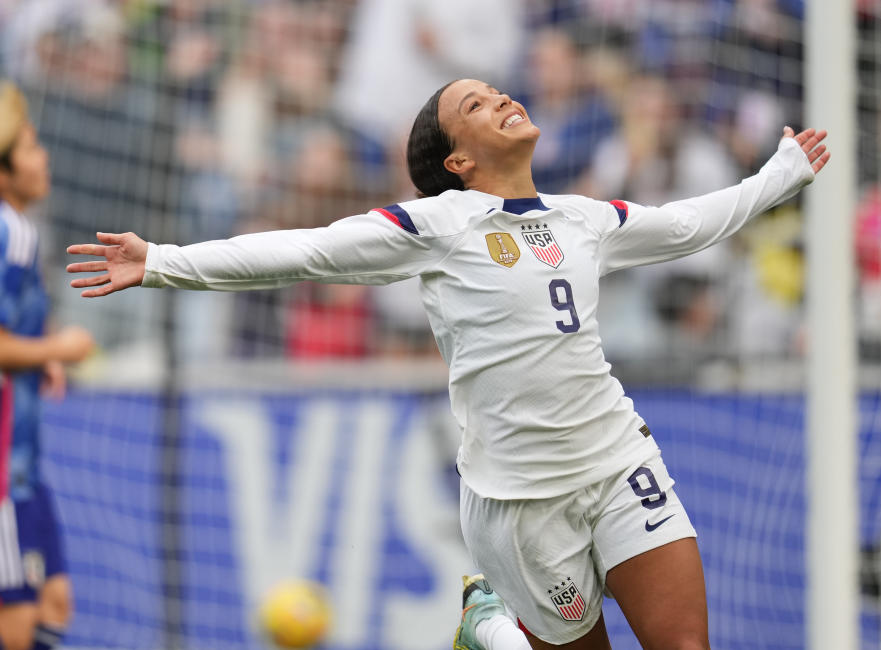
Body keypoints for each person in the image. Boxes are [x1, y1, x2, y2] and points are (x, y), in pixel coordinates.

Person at [66, 78, 829, 649]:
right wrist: (162, 261)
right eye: (473, 105)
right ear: (458, 159)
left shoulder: (585, 217)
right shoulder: (438, 225)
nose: (498, 97)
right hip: (520, 501)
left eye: (494, 90)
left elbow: (691, 224)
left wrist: (782, 172)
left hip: (618, 460)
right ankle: (490, 625)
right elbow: (305, 250)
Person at [0, 82, 95, 650]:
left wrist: (40, 350)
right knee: (16, 624)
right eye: (31, 147)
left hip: (23, 463)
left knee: (53, 605)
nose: (45, 157)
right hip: (4, 468)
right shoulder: (9, 233)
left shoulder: (22, 233)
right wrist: (58, 351)